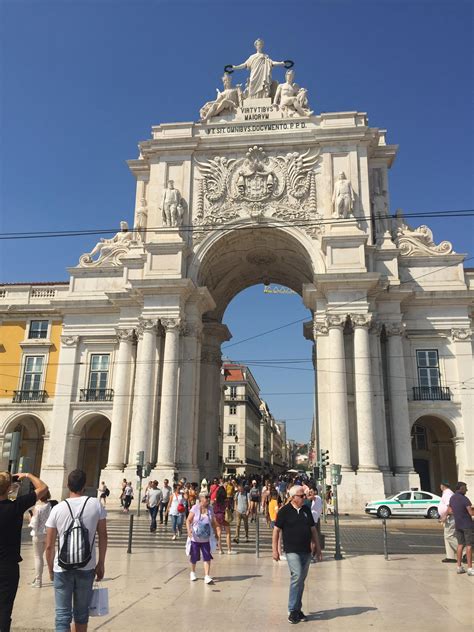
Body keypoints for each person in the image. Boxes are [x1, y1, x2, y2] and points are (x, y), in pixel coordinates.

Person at [45, 469, 107, 632]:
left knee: (62, 616)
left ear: (68, 485)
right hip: (87, 566)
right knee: (81, 615)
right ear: (84, 485)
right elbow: (103, 536)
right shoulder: (95, 504)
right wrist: (100, 563)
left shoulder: (57, 508)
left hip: (62, 567)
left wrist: (51, 568)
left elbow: (49, 545)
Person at [0, 471, 48, 632]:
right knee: (5, 610)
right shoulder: (16, 505)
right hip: (8, 567)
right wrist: (27, 475)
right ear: (9, 489)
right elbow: (43, 488)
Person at [272, 485, 322, 624]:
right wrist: (274, 549)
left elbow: (313, 530)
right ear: (293, 498)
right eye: (302, 496)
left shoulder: (306, 510)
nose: (304, 498)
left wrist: (318, 548)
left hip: (306, 551)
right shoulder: (284, 511)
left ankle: (298, 609)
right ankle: (292, 610)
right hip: (292, 550)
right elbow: (276, 531)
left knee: (301, 580)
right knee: (297, 576)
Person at [185, 492, 218, 584]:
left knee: (207, 557)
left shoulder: (210, 509)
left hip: (206, 538)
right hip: (195, 538)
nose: (208, 499)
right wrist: (189, 530)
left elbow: (213, 522)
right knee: (194, 556)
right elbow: (188, 520)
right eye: (206, 497)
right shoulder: (195, 508)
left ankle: (207, 575)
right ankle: (192, 572)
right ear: (201, 499)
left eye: (208, 497)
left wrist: (216, 533)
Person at [448, 481, 473, 575]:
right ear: (461, 488)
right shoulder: (464, 499)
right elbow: (471, 513)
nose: (467, 490)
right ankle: (470, 568)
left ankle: (459, 567)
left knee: (460, 545)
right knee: (469, 545)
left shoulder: (452, 498)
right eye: (465, 488)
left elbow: (450, 510)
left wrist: (458, 513)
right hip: (467, 525)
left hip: (458, 524)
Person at [29, 491, 52, 587]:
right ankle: (49, 575)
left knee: (38, 557)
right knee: (43, 556)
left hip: (38, 534)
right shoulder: (49, 505)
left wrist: (30, 518)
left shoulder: (37, 507)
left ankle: (38, 580)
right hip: (47, 533)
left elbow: (34, 524)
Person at [213, 486, 237, 555]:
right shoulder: (226, 500)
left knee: (218, 533)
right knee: (228, 533)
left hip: (217, 516)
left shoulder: (215, 500)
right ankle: (229, 550)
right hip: (224, 517)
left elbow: (214, 509)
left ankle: (220, 550)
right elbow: (229, 508)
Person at [438, 481, 457, 563]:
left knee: (449, 536)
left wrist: (445, 516)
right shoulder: (446, 493)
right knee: (447, 536)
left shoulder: (448, 493)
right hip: (447, 517)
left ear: (442, 486)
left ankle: (464, 552)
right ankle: (450, 556)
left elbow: (450, 506)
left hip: (449, 517)